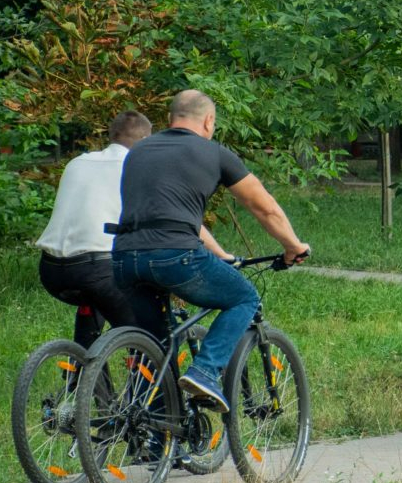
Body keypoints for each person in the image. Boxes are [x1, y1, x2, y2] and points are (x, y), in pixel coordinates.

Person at [111, 89, 309, 412]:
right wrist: (293, 246)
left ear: (171, 119)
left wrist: (219, 254)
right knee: (244, 298)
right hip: (175, 257)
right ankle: (204, 372)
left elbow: (163, 215)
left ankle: (156, 432)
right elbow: (264, 208)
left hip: (123, 259)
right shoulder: (214, 153)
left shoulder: (138, 151)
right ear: (208, 121)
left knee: (157, 345)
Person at [35, 110, 154, 349]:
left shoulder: (77, 163)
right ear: (144, 140)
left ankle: (83, 367)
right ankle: (145, 370)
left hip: (51, 270)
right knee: (147, 332)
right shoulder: (136, 167)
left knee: (97, 299)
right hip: (96, 268)